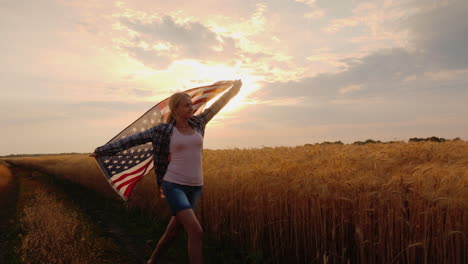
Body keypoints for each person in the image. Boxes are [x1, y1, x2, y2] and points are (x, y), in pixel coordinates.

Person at [92, 80, 242, 264]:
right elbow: (132, 140)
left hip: (195, 187)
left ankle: (152, 261)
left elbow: (217, 106)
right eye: (186, 105)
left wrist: (234, 90)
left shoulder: (198, 123)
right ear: (175, 109)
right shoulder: (162, 131)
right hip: (174, 185)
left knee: (172, 233)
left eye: (191, 104)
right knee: (196, 231)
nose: (191, 107)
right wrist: (103, 151)